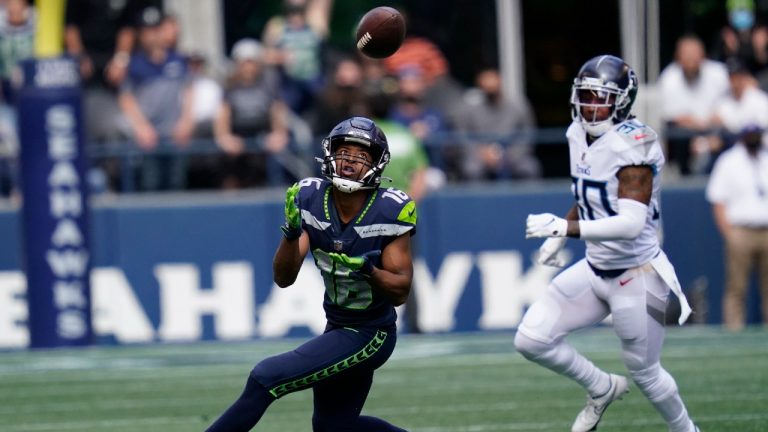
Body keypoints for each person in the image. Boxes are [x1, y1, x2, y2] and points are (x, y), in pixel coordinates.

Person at [514, 55, 700, 432]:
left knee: (645, 372)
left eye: (600, 98)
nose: (590, 106)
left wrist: (564, 230)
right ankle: (601, 387)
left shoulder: (634, 146)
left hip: (639, 273)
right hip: (596, 267)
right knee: (531, 339)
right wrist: (563, 229)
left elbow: (631, 224)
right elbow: (588, 194)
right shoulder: (575, 134)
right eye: (585, 96)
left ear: (622, 101)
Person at [206, 116, 416, 432]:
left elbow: (400, 291)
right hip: (337, 325)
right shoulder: (310, 197)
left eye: (361, 156)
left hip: (371, 333)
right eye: (344, 152)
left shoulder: (389, 208)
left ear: (377, 163)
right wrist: (291, 234)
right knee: (333, 427)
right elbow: (284, 277)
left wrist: (368, 269)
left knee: (266, 376)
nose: (349, 161)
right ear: (330, 153)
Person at [706, 124, 768, 331]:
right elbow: (718, 199)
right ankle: (734, 330)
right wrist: (730, 233)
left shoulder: (765, 158)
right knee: (736, 286)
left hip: (766, 229)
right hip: (741, 230)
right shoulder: (729, 161)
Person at [658, 34, 730, 176]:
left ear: (703, 56)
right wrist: (703, 129)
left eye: (695, 55)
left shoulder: (719, 72)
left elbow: (728, 105)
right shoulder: (669, 78)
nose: (691, 60)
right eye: (687, 56)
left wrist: (712, 131)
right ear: (678, 57)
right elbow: (676, 118)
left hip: (717, 131)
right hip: (685, 136)